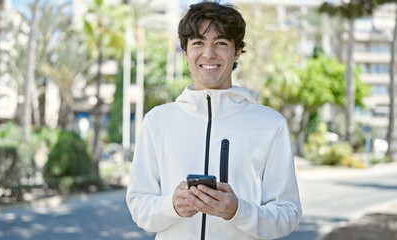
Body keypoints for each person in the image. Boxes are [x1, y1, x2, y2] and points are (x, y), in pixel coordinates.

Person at [126, 1, 302, 239]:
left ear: (237, 51)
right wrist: (173, 206)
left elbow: (288, 215)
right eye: (198, 43)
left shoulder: (271, 124)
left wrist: (238, 211)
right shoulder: (157, 121)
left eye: (220, 43)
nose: (208, 54)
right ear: (186, 51)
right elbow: (139, 207)